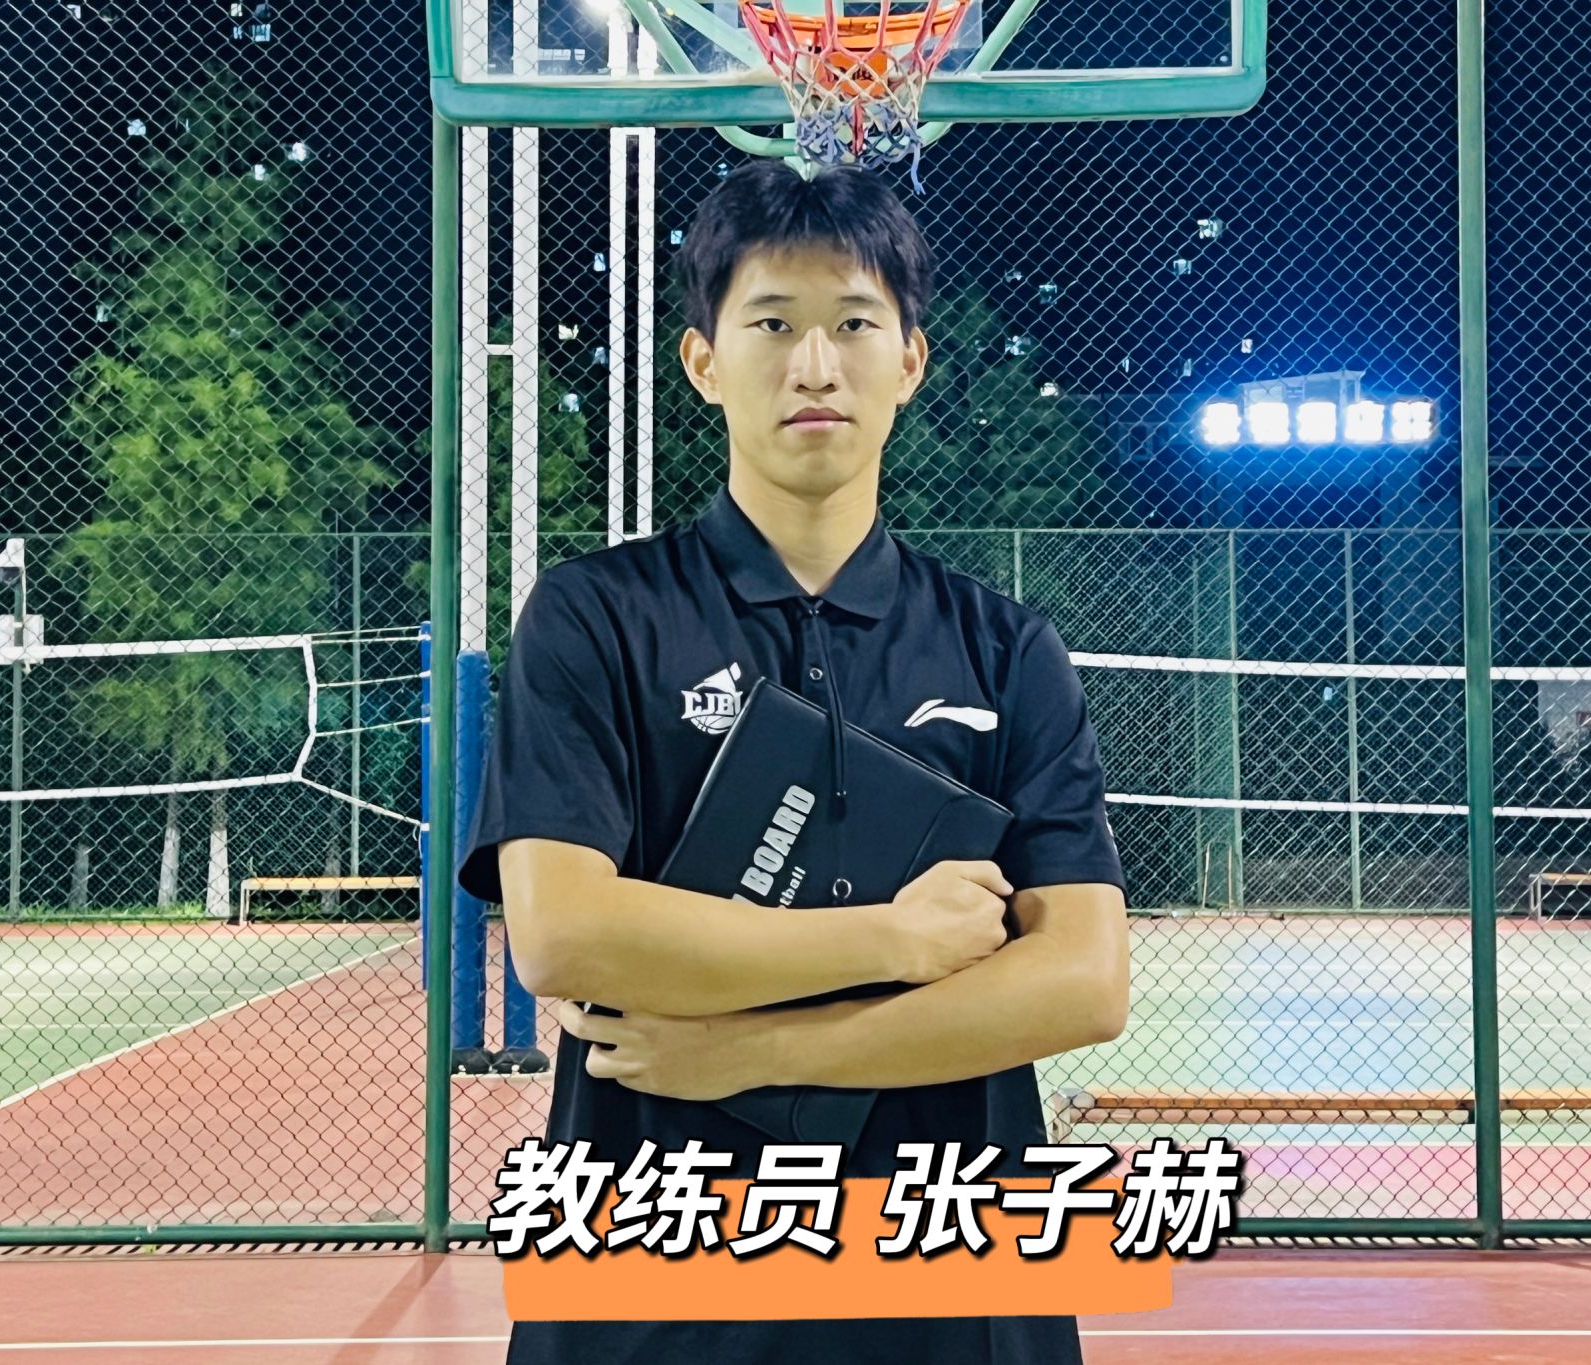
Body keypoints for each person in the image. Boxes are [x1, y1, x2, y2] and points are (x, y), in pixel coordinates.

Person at [456, 157, 1130, 1365]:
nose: (814, 365)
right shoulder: (596, 616)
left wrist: (758, 1051)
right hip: (655, 1285)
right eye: (771, 323)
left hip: (948, 1281)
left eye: (853, 325)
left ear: (909, 361)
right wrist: (895, 940)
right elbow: (562, 934)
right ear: (702, 360)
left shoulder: (1004, 647)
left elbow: (1080, 981)